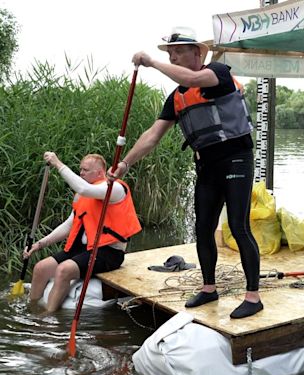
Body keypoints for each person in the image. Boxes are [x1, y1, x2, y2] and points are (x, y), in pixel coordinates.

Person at [110, 28, 263, 319]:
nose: (172, 56)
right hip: (207, 167)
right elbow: (152, 136)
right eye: (169, 53)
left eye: (177, 51)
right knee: (202, 228)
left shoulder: (216, 72)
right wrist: (125, 165)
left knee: (238, 226)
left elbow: (193, 79)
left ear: (197, 53)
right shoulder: (176, 98)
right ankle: (208, 288)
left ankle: (253, 297)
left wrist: (153, 62)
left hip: (236, 161)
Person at [24, 152, 141, 312]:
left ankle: (47, 316)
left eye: (85, 170)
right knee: (41, 267)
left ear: (100, 172)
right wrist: (40, 244)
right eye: (80, 169)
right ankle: (31, 308)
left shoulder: (114, 188)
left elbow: (83, 188)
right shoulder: (82, 196)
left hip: (107, 252)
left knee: (64, 270)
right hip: (83, 250)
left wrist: (58, 163)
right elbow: (69, 226)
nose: (81, 173)